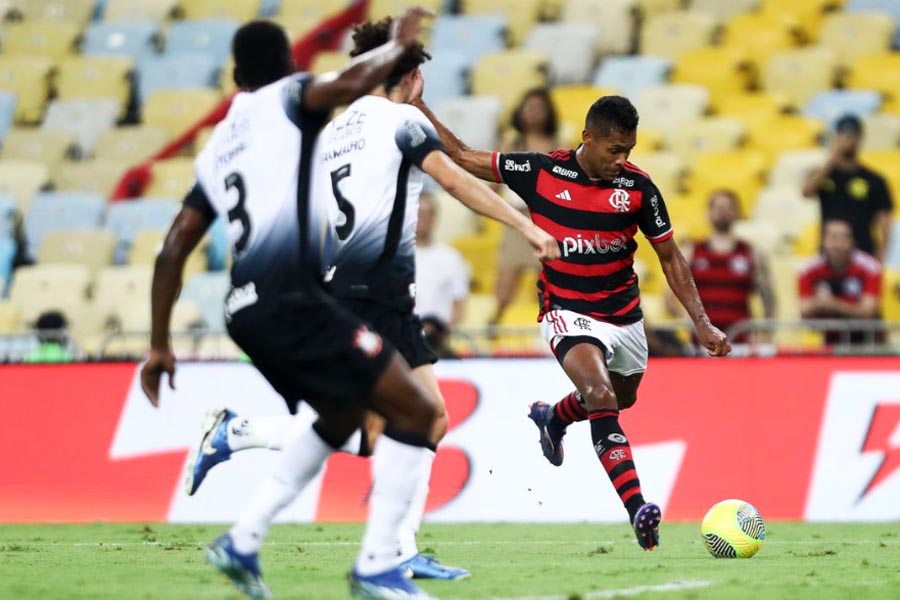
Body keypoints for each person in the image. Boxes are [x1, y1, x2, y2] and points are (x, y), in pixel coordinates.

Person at [177, 14, 558, 588]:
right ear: (412, 77)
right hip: (375, 291)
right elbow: (455, 179)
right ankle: (243, 437)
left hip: (353, 286)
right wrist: (526, 227)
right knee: (388, 427)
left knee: (427, 418)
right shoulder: (400, 118)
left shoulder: (332, 130)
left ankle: (397, 549)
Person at [140, 13, 450, 600]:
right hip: (296, 301)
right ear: (288, 65)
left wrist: (159, 344)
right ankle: (379, 567)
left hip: (244, 311)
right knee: (418, 412)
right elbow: (346, 86)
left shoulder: (218, 148)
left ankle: (244, 539)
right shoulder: (291, 97)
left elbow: (173, 247)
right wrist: (397, 48)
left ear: (235, 75)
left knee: (339, 420)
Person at [412, 90, 731, 550]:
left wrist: (701, 321)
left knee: (622, 396)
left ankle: (554, 418)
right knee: (600, 393)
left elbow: (670, 256)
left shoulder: (639, 189)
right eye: (614, 150)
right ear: (588, 137)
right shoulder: (541, 171)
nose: (622, 160)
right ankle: (638, 507)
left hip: (623, 315)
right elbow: (461, 157)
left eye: (629, 151)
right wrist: (420, 106)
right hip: (567, 311)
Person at [664, 189, 776, 343]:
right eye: (717, 208)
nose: (722, 212)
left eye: (728, 207)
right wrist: (690, 321)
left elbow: (768, 298)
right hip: (703, 343)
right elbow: (669, 297)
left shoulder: (752, 253)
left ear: (737, 213)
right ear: (708, 213)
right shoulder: (691, 252)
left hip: (741, 339)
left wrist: (765, 332)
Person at [492, 88, 560, 326]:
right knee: (506, 281)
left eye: (538, 107)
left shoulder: (558, 145)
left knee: (543, 282)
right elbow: (493, 181)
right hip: (515, 217)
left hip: (545, 218)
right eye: (528, 106)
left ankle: (545, 330)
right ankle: (493, 329)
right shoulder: (510, 143)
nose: (532, 112)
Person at [802, 114, 893, 262]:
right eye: (842, 135)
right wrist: (832, 159)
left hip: (862, 253)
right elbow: (806, 192)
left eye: (852, 136)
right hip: (829, 255)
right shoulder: (824, 174)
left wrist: (880, 257)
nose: (847, 140)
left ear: (860, 139)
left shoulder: (875, 180)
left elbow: (884, 224)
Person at [799, 218, 883, 345]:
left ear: (852, 241)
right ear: (822, 241)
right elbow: (804, 310)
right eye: (832, 238)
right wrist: (851, 308)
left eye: (843, 238)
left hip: (868, 343)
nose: (837, 245)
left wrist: (831, 304)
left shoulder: (870, 267)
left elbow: (868, 311)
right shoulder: (808, 269)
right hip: (829, 342)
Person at [414, 192, 470, 356]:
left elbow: (459, 304)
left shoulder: (451, 258)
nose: (422, 219)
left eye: (428, 214)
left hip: (439, 342)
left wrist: (442, 332)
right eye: (418, 213)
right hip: (405, 341)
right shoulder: (397, 257)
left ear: (435, 218)